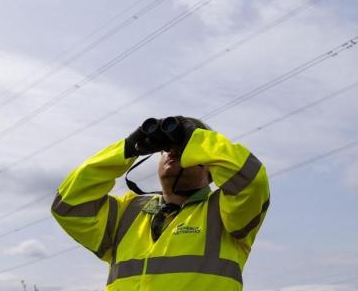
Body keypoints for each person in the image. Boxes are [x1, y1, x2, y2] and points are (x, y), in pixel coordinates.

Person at [51, 116, 270, 290]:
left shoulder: (224, 212)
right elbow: (69, 204)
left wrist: (197, 138)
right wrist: (126, 149)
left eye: (183, 149)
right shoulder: (127, 212)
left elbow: (252, 181)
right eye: (168, 149)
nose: (173, 152)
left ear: (211, 168)